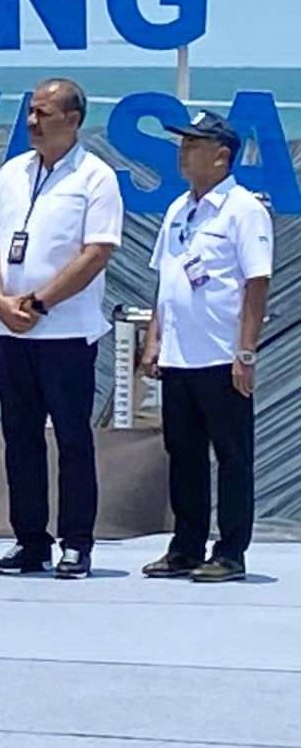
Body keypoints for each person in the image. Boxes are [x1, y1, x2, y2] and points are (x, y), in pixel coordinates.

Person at [0, 78, 122, 579]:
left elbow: (97, 252)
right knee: (20, 438)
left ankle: (76, 542)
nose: (32, 122)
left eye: (42, 112)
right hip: (9, 329)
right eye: (30, 112)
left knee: (72, 439)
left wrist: (38, 303)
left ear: (73, 119)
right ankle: (29, 540)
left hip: (64, 333)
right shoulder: (14, 171)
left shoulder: (96, 177)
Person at [140, 111, 271, 583]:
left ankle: (231, 551)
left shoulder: (243, 209)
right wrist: (154, 340)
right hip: (179, 355)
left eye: (194, 144)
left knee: (232, 457)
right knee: (185, 456)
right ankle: (186, 546)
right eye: (182, 143)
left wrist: (246, 352)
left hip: (221, 356)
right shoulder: (180, 209)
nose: (183, 151)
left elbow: (257, 284)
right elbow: (167, 280)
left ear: (221, 156)